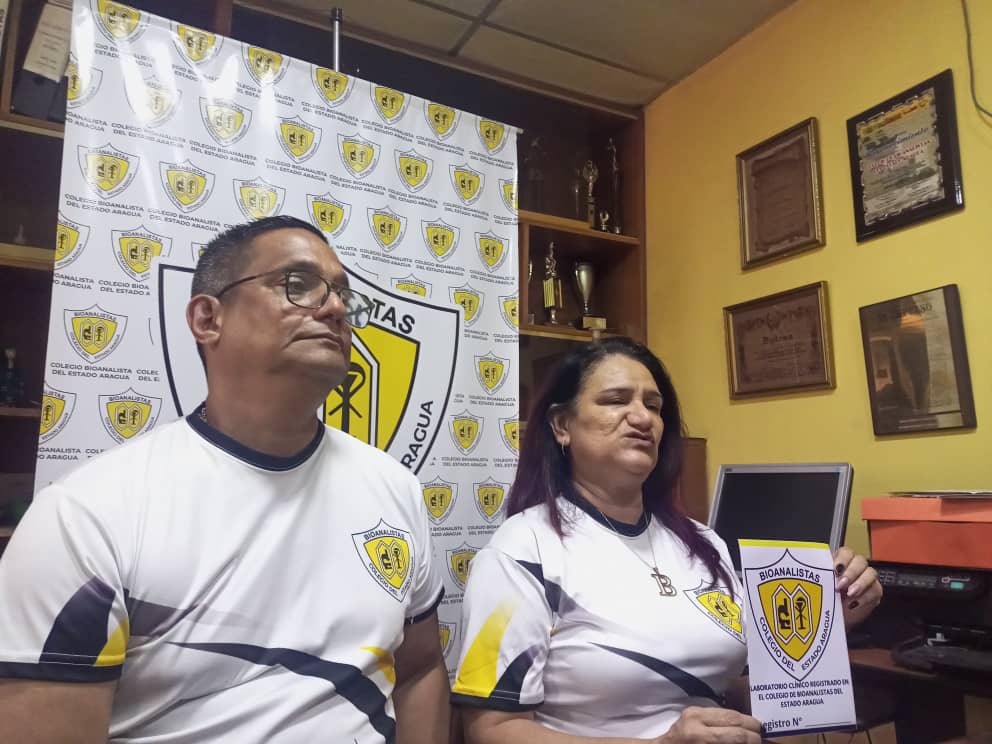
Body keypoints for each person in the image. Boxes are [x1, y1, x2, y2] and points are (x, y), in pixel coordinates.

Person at [0, 216, 449, 744]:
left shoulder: (395, 488)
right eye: (298, 284)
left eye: (344, 296)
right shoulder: (87, 515)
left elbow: (420, 667)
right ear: (208, 319)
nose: (334, 308)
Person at [451, 337, 883, 743]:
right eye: (616, 400)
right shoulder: (521, 550)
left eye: (653, 406)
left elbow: (732, 687)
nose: (643, 418)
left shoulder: (703, 544)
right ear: (562, 425)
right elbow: (492, 730)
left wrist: (833, 612)